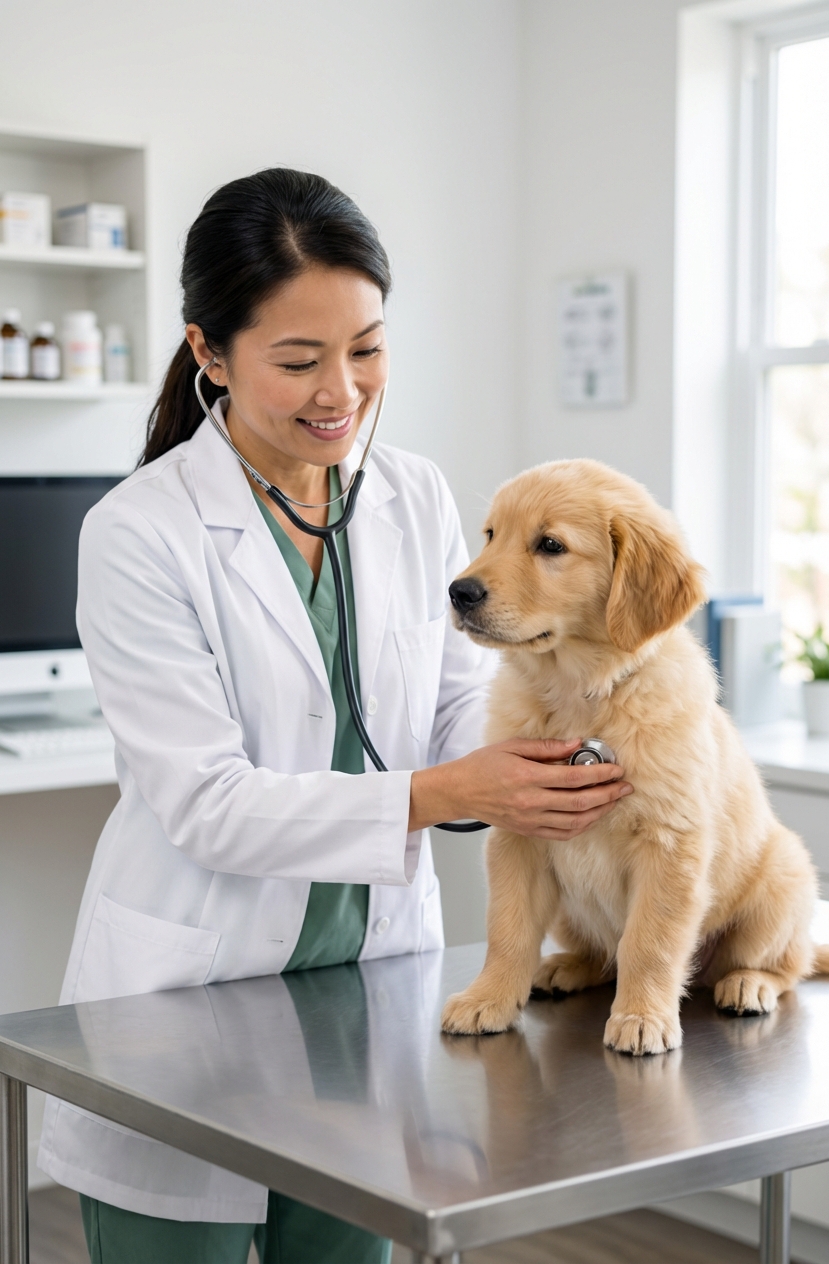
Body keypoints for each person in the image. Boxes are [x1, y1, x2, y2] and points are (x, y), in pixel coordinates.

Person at [37, 168, 633, 1264]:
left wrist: (538, 760)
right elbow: (205, 804)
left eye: (366, 347)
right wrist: (450, 793)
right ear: (209, 353)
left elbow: (454, 699)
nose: (341, 390)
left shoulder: (410, 494)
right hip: (185, 1008)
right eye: (299, 361)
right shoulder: (139, 530)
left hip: (361, 1007)